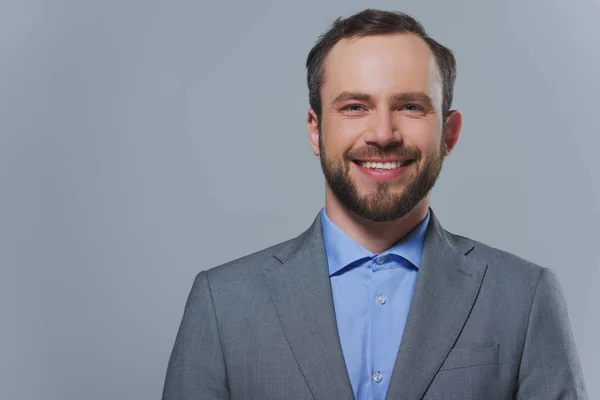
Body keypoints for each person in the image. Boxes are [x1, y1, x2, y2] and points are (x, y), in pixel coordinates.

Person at [162, 9, 587, 400]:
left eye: (410, 106)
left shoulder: (526, 298)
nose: (382, 133)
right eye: (354, 107)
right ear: (315, 130)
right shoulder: (223, 304)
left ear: (449, 133)